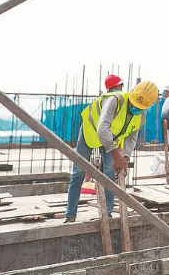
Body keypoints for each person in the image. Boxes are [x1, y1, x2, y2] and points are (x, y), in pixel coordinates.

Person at [64, 80, 158, 222]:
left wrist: (125, 157)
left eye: (140, 107)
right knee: (79, 172)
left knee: (110, 173)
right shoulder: (115, 100)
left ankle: (107, 214)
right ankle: (70, 214)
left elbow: (132, 137)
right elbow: (102, 129)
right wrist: (116, 155)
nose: (135, 107)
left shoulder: (141, 115)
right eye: (134, 104)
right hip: (90, 132)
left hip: (110, 139)